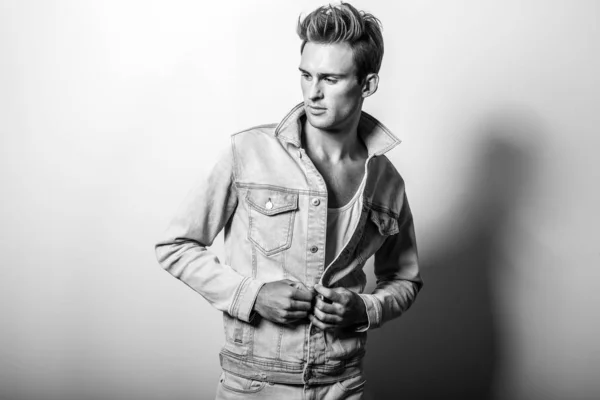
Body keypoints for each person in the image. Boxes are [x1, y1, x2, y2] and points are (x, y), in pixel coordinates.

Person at [155, 2, 423, 399]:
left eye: (330, 79)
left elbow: (404, 278)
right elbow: (174, 246)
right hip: (254, 385)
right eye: (306, 75)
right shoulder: (247, 153)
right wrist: (255, 295)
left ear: (367, 84)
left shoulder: (385, 181)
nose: (313, 92)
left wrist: (364, 309)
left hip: (342, 384)